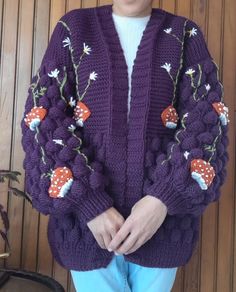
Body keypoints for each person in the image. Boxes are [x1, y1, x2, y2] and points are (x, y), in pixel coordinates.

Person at [20, 0, 230, 291]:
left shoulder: (184, 35)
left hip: (163, 227)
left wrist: (162, 200)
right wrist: (88, 203)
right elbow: (43, 118)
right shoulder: (74, 29)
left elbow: (207, 123)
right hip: (85, 229)